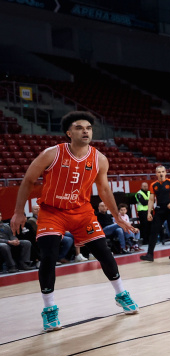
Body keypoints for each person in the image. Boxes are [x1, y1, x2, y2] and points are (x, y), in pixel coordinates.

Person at [9, 111, 139, 332]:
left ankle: (121, 294)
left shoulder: (99, 158)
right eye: (79, 127)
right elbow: (29, 180)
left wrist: (117, 216)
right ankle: (49, 309)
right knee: (49, 255)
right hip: (51, 211)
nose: (85, 131)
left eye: (88, 127)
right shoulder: (52, 154)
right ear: (69, 133)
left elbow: (105, 189)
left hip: (81, 211)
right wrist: (18, 211)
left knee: (103, 252)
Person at [141, 165, 170, 261]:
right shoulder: (153, 185)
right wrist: (149, 213)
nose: (161, 174)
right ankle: (150, 255)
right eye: (159, 172)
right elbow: (151, 200)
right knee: (154, 231)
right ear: (156, 174)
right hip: (160, 209)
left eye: (162, 172)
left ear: (165, 173)